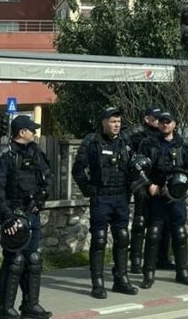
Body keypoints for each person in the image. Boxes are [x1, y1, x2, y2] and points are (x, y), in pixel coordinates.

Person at [71, 106, 137, 298]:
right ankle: (97, 283)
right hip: (101, 197)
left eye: (118, 121)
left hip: (121, 196)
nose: (116, 125)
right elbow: (78, 169)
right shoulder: (92, 142)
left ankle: (121, 278)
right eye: (112, 121)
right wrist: (88, 189)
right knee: (99, 239)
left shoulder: (125, 141)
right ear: (103, 122)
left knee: (122, 236)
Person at [0, 115, 53, 319]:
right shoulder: (5, 154)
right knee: (14, 261)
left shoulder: (35, 152)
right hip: (13, 214)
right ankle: (6, 309)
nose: (34, 133)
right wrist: (7, 215)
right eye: (31, 130)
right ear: (22, 132)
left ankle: (30, 305)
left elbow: (47, 178)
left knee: (33, 259)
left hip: (32, 213)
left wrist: (41, 198)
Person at [140, 110, 188, 289]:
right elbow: (138, 166)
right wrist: (149, 184)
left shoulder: (183, 145)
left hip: (176, 197)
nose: (165, 125)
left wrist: (187, 186)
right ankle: (148, 273)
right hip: (156, 195)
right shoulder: (149, 144)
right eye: (162, 122)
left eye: (168, 122)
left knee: (179, 233)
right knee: (153, 233)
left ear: (174, 124)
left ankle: (182, 272)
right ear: (158, 124)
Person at [125, 106, 163, 274]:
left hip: (158, 181)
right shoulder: (133, 133)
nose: (159, 121)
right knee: (140, 221)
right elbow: (128, 159)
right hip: (140, 181)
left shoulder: (163, 134)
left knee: (161, 222)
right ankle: (135, 260)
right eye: (155, 118)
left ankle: (162, 258)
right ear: (147, 118)